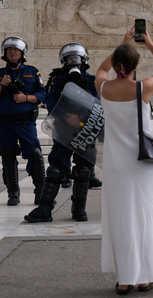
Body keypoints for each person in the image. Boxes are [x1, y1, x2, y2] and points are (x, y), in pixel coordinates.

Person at [96, 27, 153, 295]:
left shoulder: (104, 88)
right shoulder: (143, 88)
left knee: (120, 218)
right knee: (145, 216)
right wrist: (151, 45)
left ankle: (124, 279)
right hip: (141, 162)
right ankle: (144, 277)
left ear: (117, 64)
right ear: (133, 65)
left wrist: (122, 45)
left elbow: (100, 70)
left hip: (114, 164)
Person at [24, 43, 101, 223]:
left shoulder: (91, 80)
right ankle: (45, 209)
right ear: (64, 61)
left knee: (83, 170)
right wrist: (67, 118)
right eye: (69, 58)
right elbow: (50, 102)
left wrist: (80, 118)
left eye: (76, 58)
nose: (73, 61)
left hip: (84, 129)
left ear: (83, 60)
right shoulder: (57, 80)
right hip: (63, 129)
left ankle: (79, 210)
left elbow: (97, 104)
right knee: (56, 168)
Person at [0, 36, 46, 205]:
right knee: (8, 156)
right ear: (5, 53)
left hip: (25, 123)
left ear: (21, 53)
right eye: (9, 50)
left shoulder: (33, 72)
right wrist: (2, 84)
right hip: (5, 124)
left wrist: (26, 98)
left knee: (35, 155)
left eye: (16, 50)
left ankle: (41, 193)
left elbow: (42, 94)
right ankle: (13, 194)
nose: (12, 52)